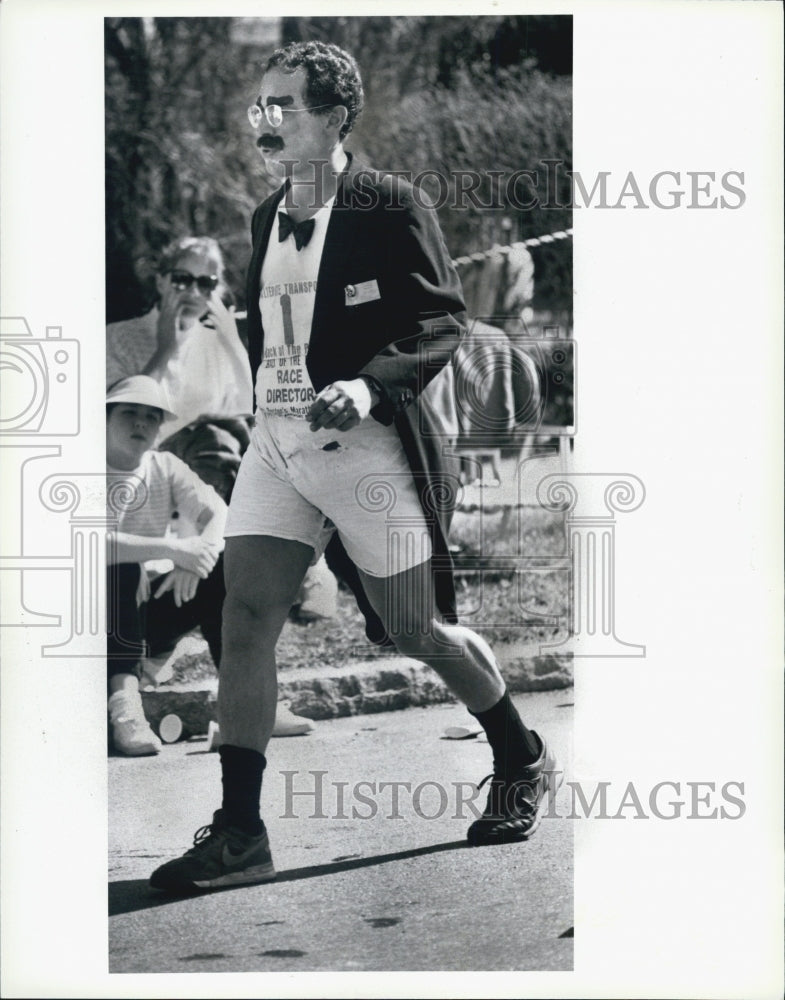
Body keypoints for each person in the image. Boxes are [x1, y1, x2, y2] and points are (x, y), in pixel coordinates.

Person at [150, 40, 560, 893]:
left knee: (414, 630)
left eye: (284, 106)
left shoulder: (388, 205)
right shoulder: (266, 217)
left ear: (334, 117)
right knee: (245, 620)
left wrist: (369, 390)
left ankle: (519, 754)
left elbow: (440, 322)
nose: (265, 120)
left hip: (367, 448)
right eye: (260, 104)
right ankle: (239, 833)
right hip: (276, 444)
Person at [105, 376, 227, 755]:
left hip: (142, 619)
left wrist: (196, 560)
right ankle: (125, 709)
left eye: (151, 416)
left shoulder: (165, 466)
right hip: (85, 624)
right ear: (104, 419)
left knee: (223, 567)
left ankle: (246, 698)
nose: (141, 423)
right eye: (129, 413)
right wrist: (176, 550)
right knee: (121, 568)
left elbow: (221, 514)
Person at [106, 235, 253, 442]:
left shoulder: (218, 345)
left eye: (205, 283)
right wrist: (164, 350)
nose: (193, 292)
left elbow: (250, 409)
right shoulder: (116, 337)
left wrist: (233, 344)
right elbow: (122, 421)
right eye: (182, 279)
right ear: (160, 282)